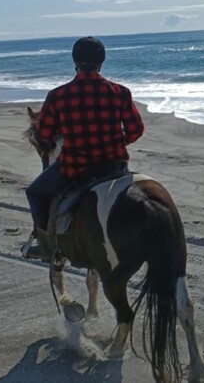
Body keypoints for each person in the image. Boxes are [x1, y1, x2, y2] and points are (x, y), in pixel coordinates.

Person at [21, 36, 144, 260]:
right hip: (115, 166)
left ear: (75, 61)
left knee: (35, 193)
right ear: (102, 63)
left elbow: (45, 135)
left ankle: (46, 245)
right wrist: (117, 141)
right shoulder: (120, 92)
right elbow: (136, 130)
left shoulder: (58, 96)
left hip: (75, 168)